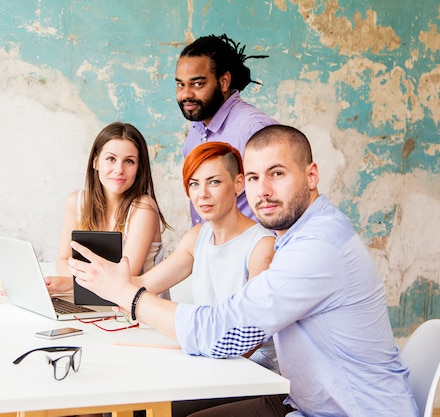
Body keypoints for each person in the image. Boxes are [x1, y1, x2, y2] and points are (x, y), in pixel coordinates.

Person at [69, 124, 419, 417]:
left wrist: (130, 297)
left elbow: (227, 332)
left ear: (311, 175)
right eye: (253, 177)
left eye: (277, 174)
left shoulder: (316, 246)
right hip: (301, 401)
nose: (262, 191)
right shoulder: (294, 236)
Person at [133, 141, 278, 372]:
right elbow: (143, 285)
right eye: (194, 184)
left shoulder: (262, 246)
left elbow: (248, 340)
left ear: (238, 183)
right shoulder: (198, 236)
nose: (203, 194)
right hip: (211, 362)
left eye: (214, 182)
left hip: (252, 371)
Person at [45, 121, 170, 294]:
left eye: (129, 161)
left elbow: (125, 277)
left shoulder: (143, 208)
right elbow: (63, 260)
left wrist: (72, 283)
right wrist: (70, 282)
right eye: (111, 159)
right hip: (97, 303)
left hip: (139, 311)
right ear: (95, 162)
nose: (119, 169)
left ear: (139, 168)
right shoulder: (76, 202)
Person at [176, 33, 278, 225]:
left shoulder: (254, 129)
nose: (186, 94)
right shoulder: (196, 130)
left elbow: (282, 205)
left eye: (197, 84)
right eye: (181, 84)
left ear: (224, 82)